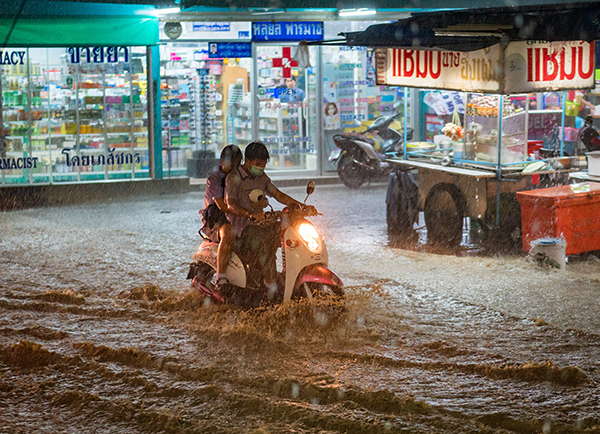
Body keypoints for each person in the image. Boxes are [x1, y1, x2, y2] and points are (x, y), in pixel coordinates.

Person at [225, 141, 315, 292]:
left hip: (261, 225)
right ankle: (270, 284)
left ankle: (292, 274)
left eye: (264, 164)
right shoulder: (234, 178)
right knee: (266, 239)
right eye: (258, 163)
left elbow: (278, 194)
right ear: (246, 160)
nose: (261, 167)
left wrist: (302, 207)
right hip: (241, 229)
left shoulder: (262, 178)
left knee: (289, 231)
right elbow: (230, 205)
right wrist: (250, 214)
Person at [199, 145, 243, 293]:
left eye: (237, 163)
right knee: (229, 233)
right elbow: (222, 206)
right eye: (232, 162)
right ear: (222, 160)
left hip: (235, 215)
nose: (234, 167)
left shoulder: (241, 177)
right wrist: (246, 213)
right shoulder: (214, 179)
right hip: (215, 219)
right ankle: (221, 277)